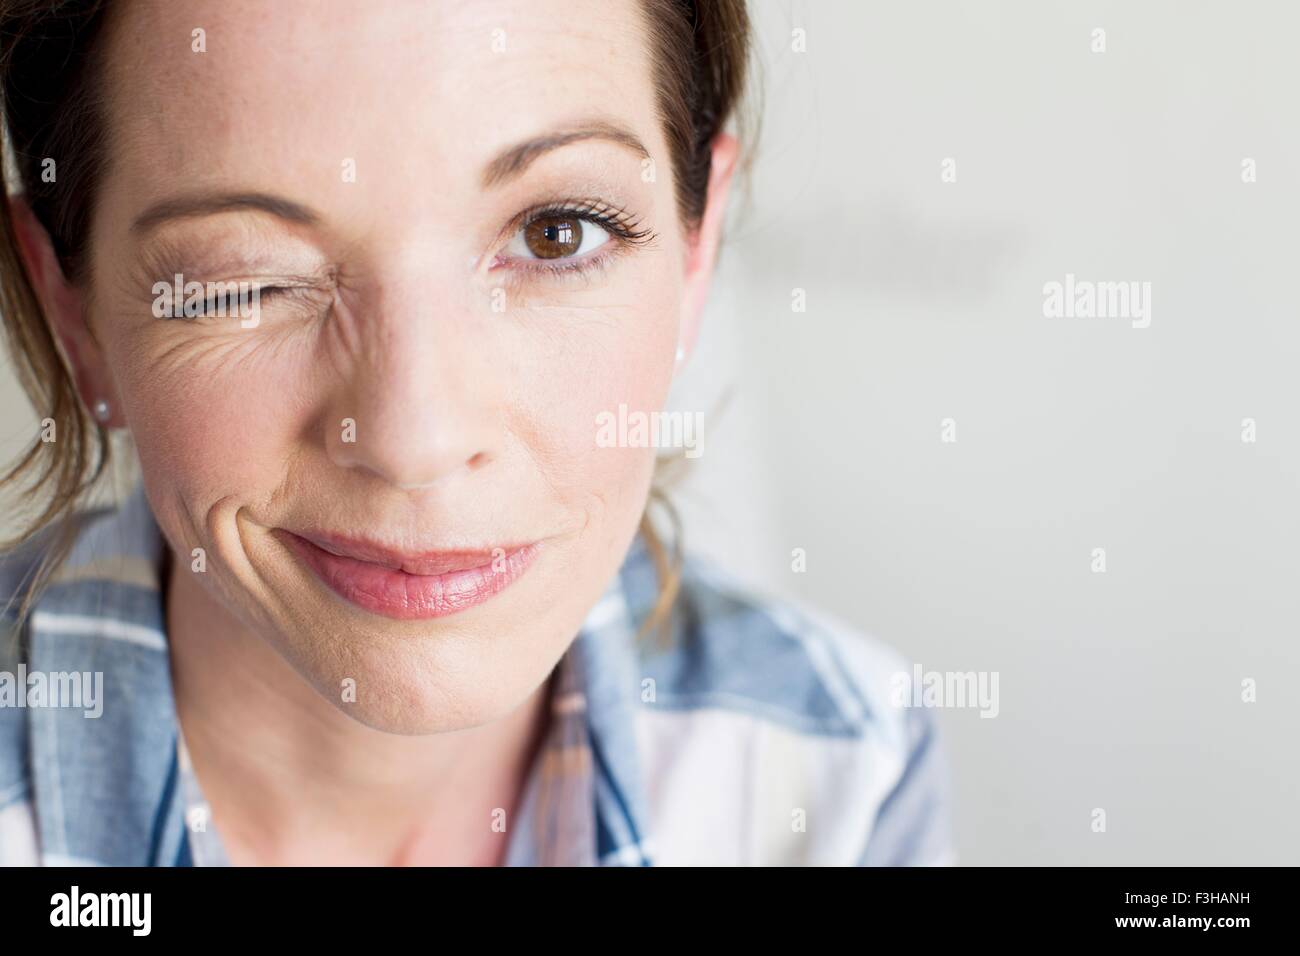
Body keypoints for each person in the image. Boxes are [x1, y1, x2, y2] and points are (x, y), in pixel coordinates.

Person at [0, 0, 954, 866]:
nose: (415, 441)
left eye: (556, 233)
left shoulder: (839, 773)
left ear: (693, 255)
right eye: (246, 279)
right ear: (70, 316)